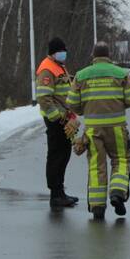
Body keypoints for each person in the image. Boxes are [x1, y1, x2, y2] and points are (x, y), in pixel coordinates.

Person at [67, 42, 130, 219]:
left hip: (93, 130)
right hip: (117, 128)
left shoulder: (81, 76)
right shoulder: (121, 74)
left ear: (93, 56)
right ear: (109, 55)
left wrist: (85, 110)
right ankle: (117, 192)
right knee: (121, 160)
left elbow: (72, 103)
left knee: (96, 165)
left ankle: (98, 206)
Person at [36, 37, 79, 208]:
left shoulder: (58, 66)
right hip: (56, 119)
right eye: (62, 51)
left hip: (64, 117)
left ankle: (60, 191)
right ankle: (55, 195)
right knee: (56, 155)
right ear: (54, 52)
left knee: (64, 154)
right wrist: (59, 117)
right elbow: (44, 98)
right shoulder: (47, 69)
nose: (64, 53)